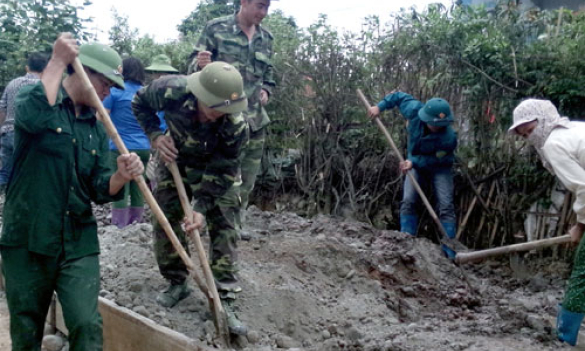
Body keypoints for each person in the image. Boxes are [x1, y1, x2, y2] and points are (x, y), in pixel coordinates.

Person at [0, 33, 144, 351]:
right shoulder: (39, 103)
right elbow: (29, 115)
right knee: (26, 328)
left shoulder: (94, 127)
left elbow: (98, 186)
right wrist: (57, 60)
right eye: (105, 82)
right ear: (81, 73)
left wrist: (120, 176)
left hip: (77, 242)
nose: (107, 91)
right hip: (28, 239)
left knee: (86, 323)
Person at [132, 61, 249, 335]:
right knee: (165, 220)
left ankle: (225, 299)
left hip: (215, 170)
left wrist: (200, 207)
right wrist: (156, 135)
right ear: (199, 96)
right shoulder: (170, 89)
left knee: (225, 227)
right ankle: (177, 282)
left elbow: (224, 169)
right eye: (213, 109)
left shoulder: (235, 124)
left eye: (224, 110)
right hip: (176, 160)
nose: (217, 115)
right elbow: (139, 103)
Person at [188, 0, 276, 241]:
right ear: (244, 2)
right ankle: (203, 220)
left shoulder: (266, 38)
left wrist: (267, 90)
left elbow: (269, 73)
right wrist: (199, 64)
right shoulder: (216, 28)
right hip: (222, 120)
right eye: (260, 5)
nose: (263, 13)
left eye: (267, 7)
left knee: (246, 179)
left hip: (255, 120)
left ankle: (236, 225)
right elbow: (191, 69)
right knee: (215, 173)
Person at [508, 99, 585, 346]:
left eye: (530, 131)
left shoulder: (554, 143)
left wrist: (580, 226)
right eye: (525, 135)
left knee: (582, 275)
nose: (530, 138)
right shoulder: (576, 129)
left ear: (544, 119)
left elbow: (584, 187)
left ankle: (564, 340)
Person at [368, 92, 458, 248]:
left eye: (441, 124)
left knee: (445, 205)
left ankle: (450, 249)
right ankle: (406, 242)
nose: (437, 127)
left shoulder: (449, 137)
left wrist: (414, 162)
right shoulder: (414, 110)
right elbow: (398, 96)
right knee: (408, 200)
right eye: (434, 124)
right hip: (413, 161)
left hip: (439, 167)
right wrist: (379, 107)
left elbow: (441, 160)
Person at [103, 57, 150, 227]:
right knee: (139, 183)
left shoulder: (114, 92)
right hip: (144, 147)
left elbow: (101, 116)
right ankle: (137, 224)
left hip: (120, 146)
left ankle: (119, 226)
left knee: (121, 183)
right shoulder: (146, 93)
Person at [0, 52, 49, 194]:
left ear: (27, 68)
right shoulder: (43, 86)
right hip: (27, 135)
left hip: (7, 132)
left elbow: (2, 109)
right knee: (26, 173)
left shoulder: (12, 83)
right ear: (45, 69)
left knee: (5, 172)